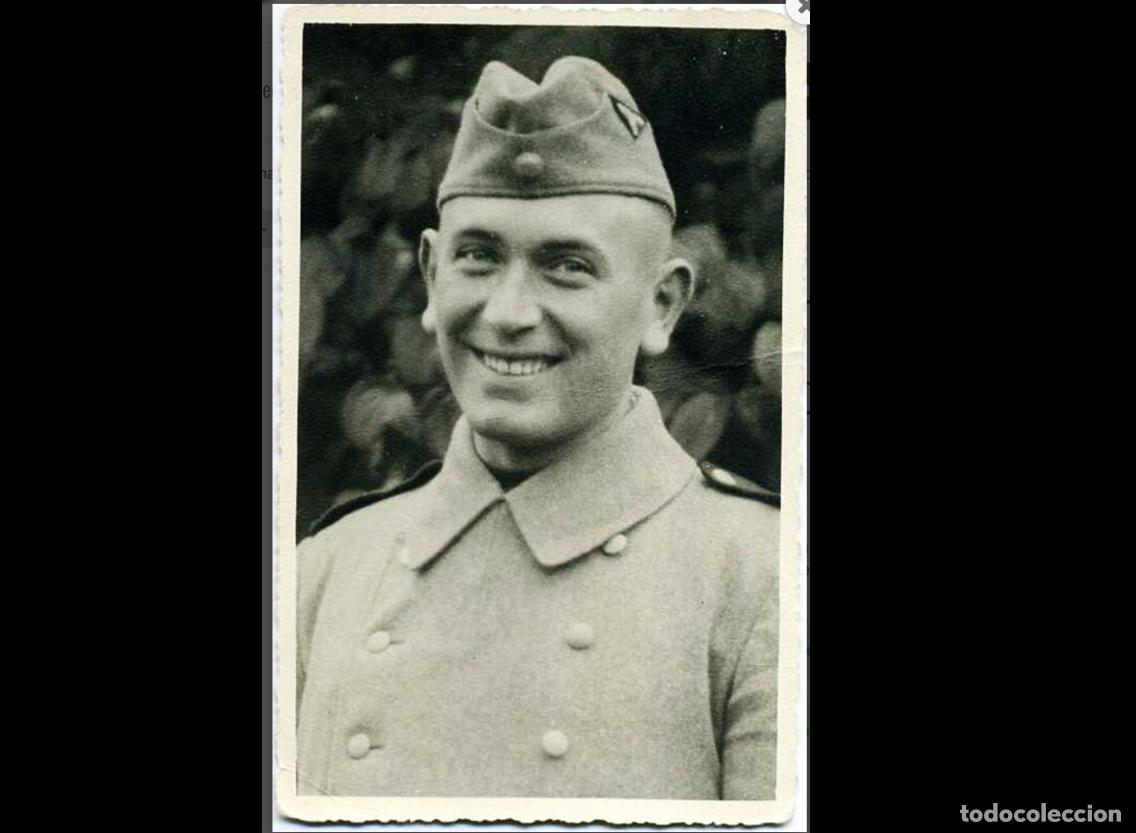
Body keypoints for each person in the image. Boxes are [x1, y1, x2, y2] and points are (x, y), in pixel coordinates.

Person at [294, 56, 780, 800]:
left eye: (567, 266)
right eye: (479, 257)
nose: (508, 312)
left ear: (663, 305)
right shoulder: (326, 570)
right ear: (429, 277)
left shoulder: (763, 577)